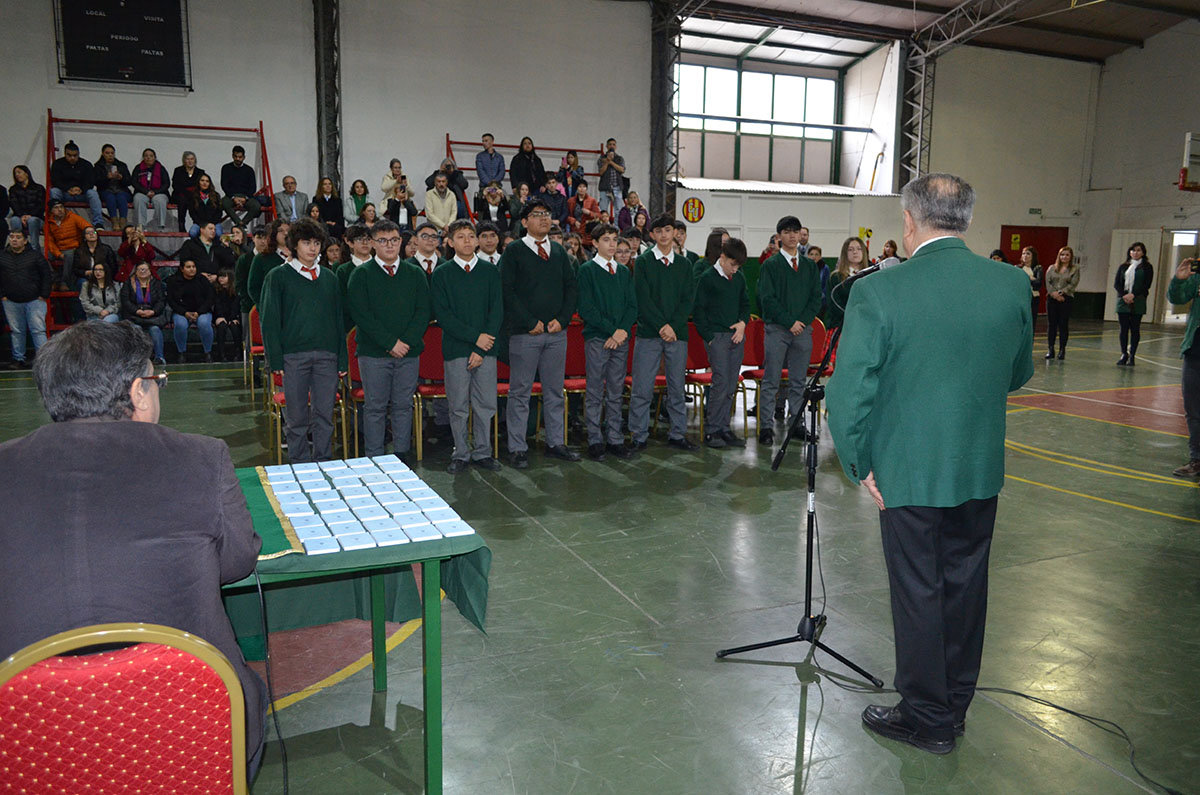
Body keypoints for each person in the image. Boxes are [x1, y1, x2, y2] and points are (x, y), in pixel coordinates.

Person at [0, 320, 267, 775]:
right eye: (157, 380)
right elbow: (237, 561)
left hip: (29, 737)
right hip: (189, 718)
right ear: (138, 391)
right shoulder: (202, 457)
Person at [826, 172, 1033, 756]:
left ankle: (926, 718)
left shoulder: (878, 292)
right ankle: (954, 704)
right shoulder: (1011, 284)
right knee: (966, 588)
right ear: (966, 219)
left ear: (909, 222)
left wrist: (859, 460)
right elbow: (1018, 372)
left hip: (909, 471)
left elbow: (849, 392)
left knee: (918, 591)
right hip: (978, 465)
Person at [499, 199, 580, 467]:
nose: (544, 219)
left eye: (546, 214)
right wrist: (529, 321)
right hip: (525, 334)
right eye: (537, 215)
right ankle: (517, 447)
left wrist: (563, 319)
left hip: (557, 333)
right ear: (524, 222)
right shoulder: (514, 252)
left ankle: (556, 442)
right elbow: (506, 291)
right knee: (520, 392)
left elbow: (571, 289)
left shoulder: (558, 252)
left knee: (555, 391)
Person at [259, 217, 346, 462]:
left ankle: (323, 460)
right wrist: (274, 359)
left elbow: (339, 322)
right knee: (296, 418)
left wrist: (342, 360)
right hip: (293, 357)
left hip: (327, 356)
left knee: (324, 415)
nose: (312, 248)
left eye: (316, 243)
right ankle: (298, 464)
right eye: (306, 242)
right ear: (294, 245)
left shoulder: (330, 278)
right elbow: (270, 321)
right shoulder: (278, 277)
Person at [346, 219, 429, 460]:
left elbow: (423, 312)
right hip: (373, 354)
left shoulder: (415, 273)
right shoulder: (361, 275)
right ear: (372, 244)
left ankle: (402, 454)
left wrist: (406, 342)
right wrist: (390, 343)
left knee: (404, 406)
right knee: (375, 407)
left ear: (401, 241)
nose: (389, 245)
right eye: (382, 240)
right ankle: (374, 457)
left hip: (409, 353)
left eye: (394, 239)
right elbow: (361, 315)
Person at [431, 220, 504, 473]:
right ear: (450, 242)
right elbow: (444, 315)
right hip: (456, 349)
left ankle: (483, 452)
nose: (467, 241)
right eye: (460, 237)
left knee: (485, 404)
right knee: (458, 405)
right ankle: (461, 453)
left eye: (471, 236)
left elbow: (496, 311)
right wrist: (476, 339)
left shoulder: (490, 271)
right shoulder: (442, 273)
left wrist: (482, 348)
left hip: (487, 350)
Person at [630, 214, 697, 452]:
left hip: (677, 334)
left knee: (677, 386)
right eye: (659, 231)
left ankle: (678, 433)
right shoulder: (644, 262)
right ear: (652, 235)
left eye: (668, 230)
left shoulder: (685, 264)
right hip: (649, 333)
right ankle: (638, 434)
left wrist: (673, 325)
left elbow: (688, 299)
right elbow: (643, 299)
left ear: (674, 233)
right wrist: (661, 326)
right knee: (642, 386)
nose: (664, 235)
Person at [756, 216, 823, 446]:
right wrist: (789, 322)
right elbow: (767, 299)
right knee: (771, 379)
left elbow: (816, 298)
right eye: (787, 231)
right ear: (779, 237)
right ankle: (766, 426)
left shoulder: (808, 266)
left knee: (798, 381)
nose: (792, 235)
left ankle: (796, 423)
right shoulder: (770, 265)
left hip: (802, 330)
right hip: (777, 329)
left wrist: (801, 321)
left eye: (796, 231)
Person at [576, 223, 636, 460]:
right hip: (598, 338)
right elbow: (586, 308)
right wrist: (613, 331)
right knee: (594, 391)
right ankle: (594, 438)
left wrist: (621, 331)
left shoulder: (623, 272)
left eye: (614, 240)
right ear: (595, 243)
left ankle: (615, 438)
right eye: (606, 240)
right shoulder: (587, 271)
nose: (611, 244)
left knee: (615, 390)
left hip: (620, 340)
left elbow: (632, 306)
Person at [693, 236, 750, 449]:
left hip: (737, 337)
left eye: (738, 266)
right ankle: (712, 430)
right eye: (732, 264)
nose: (735, 269)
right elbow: (698, 311)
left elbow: (745, 304)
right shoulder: (708, 278)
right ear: (723, 258)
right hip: (717, 337)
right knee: (720, 382)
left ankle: (724, 428)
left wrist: (743, 324)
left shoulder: (740, 278)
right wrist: (709, 337)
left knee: (730, 384)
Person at [0, 228, 53, 369]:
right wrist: (2, 295)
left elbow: (46, 275)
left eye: (18, 237)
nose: (14, 240)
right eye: (12, 237)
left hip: (35, 300)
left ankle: (44, 359)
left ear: (25, 240)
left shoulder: (36, 256)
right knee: (16, 331)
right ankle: (18, 358)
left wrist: (44, 294)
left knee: (38, 330)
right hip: (10, 300)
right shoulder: (2, 256)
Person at [1169, 256, 1200, 478]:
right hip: (1195, 351)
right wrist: (1178, 280)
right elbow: (1177, 297)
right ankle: (1196, 459)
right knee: (1193, 410)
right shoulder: (1197, 278)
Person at [166, 258, 216, 363]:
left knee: (204, 323)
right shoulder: (173, 281)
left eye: (193, 267)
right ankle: (181, 353)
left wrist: (199, 312)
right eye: (188, 267)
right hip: (182, 311)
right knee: (180, 324)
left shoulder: (202, 280)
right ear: (182, 269)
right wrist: (184, 313)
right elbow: (171, 301)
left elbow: (210, 298)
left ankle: (208, 352)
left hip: (202, 311)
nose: (192, 269)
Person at [119, 261, 168, 364]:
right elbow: (125, 301)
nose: (143, 271)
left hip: (152, 316)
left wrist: (153, 311)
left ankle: (160, 357)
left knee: (155, 330)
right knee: (136, 330)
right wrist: (137, 311)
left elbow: (161, 301)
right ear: (135, 272)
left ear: (150, 272)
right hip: (134, 315)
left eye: (145, 269)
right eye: (140, 269)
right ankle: (137, 359)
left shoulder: (156, 283)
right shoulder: (128, 283)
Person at [1115, 241, 1153, 366]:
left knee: (1135, 328)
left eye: (1138, 250)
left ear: (1143, 253)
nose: (1135, 253)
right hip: (1123, 300)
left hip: (1138, 300)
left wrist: (1133, 295)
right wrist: (1125, 295)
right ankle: (1123, 354)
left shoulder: (1147, 267)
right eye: (1133, 250)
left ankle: (1132, 356)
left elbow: (1146, 285)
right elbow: (1117, 284)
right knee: (1123, 329)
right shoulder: (1123, 266)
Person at [50, 140, 104, 228]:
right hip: (65, 193)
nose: (72, 158)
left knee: (93, 193)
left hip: (82, 194)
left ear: (78, 154)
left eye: (75, 155)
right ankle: (57, 221)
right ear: (65, 154)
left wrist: (81, 189)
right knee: (54, 191)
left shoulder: (86, 165)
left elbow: (90, 181)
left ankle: (98, 223)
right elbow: (55, 180)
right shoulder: (58, 164)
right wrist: (68, 189)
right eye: (69, 155)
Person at [824, 236, 868, 332]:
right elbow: (833, 305)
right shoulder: (835, 277)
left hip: (866, 326)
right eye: (850, 250)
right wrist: (853, 318)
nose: (855, 252)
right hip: (841, 327)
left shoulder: (870, 276)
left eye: (859, 249)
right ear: (845, 253)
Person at [1044, 246, 1080, 360]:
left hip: (1066, 299)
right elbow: (1048, 282)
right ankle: (1050, 349)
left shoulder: (1074, 269)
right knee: (1052, 324)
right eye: (1062, 254)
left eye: (1067, 255)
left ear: (1071, 257)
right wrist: (1054, 294)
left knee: (1063, 325)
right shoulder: (1052, 268)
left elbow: (1073, 284)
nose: (1064, 257)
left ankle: (1062, 350)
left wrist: (1061, 293)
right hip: (1052, 299)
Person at [45, 199, 89, 287]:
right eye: (56, 208)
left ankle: (64, 282)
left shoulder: (73, 217)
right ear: (51, 211)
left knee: (69, 255)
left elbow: (87, 226)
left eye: (61, 207)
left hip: (73, 247)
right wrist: (58, 254)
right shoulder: (49, 222)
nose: (60, 209)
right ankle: (54, 278)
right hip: (59, 249)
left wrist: (92, 233)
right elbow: (50, 242)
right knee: (43, 256)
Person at [338, 223, 374, 333]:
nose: (365, 243)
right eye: (359, 239)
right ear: (349, 242)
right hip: (352, 327)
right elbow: (343, 302)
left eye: (368, 239)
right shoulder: (343, 270)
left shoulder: (380, 267)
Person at [248, 219, 290, 307]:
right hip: (271, 308)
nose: (286, 233)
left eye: (288, 230)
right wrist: (265, 306)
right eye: (281, 231)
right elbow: (253, 288)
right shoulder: (262, 258)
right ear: (274, 234)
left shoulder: (299, 256)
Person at [219, 146, 261, 228]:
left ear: (244, 157)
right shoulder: (226, 168)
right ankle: (239, 223)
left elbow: (253, 187)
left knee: (256, 206)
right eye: (236, 156)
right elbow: (224, 185)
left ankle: (242, 224)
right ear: (232, 156)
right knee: (224, 203)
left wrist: (245, 198)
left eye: (240, 157)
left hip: (246, 196)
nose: (238, 159)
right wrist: (233, 197)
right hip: (231, 196)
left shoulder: (249, 170)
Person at [131, 149, 172, 232]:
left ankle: (160, 225)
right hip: (142, 192)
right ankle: (141, 225)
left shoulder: (161, 168)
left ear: (155, 157)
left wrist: (155, 192)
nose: (148, 158)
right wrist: (146, 192)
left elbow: (166, 183)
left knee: (160, 200)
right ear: (143, 158)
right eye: (146, 156)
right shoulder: (138, 168)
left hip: (159, 192)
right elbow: (134, 182)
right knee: (138, 199)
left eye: (151, 156)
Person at [93, 144, 132, 230]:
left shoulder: (122, 165)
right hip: (105, 190)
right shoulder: (98, 166)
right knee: (110, 197)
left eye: (112, 153)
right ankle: (114, 221)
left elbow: (129, 181)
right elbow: (96, 182)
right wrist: (107, 178)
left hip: (121, 189)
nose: (110, 155)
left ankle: (123, 221)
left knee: (121, 197)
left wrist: (121, 178)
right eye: (107, 153)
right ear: (103, 154)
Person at [9, 165, 46, 250]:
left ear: (26, 174)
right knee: (14, 220)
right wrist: (22, 215)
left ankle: (34, 248)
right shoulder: (13, 189)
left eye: (19, 172)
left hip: (37, 218)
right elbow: (14, 204)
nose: (17, 175)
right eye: (15, 173)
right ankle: (18, 247)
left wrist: (30, 215)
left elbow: (41, 205)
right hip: (19, 217)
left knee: (32, 220)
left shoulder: (39, 188)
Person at [211, 267, 242, 363]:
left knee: (235, 326)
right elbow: (217, 305)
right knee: (221, 327)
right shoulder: (215, 290)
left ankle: (238, 352)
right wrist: (219, 317)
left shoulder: (235, 290)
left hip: (233, 316)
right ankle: (221, 353)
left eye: (223, 276)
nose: (221, 279)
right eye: (219, 276)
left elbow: (236, 305)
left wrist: (233, 317)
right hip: (219, 316)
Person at [171, 151, 206, 232]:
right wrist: (187, 190)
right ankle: (181, 224)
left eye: (192, 159)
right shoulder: (178, 170)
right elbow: (176, 185)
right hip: (180, 195)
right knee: (183, 200)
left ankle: (197, 223)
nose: (190, 161)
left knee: (196, 199)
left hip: (195, 195)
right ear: (184, 160)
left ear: (195, 160)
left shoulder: (200, 172)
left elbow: (201, 185)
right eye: (187, 159)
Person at [597, 138, 627, 217]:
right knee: (603, 210)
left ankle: (617, 228)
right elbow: (601, 172)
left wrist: (611, 162)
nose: (612, 146)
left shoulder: (619, 158)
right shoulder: (601, 159)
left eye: (614, 144)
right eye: (610, 144)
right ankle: (603, 228)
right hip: (605, 187)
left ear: (616, 147)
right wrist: (607, 162)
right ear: (606, 146)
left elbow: (622, 170)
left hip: (617, 187)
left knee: (619, 210)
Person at [566, 179, 600, 243]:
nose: (582, 189)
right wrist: (574, 221)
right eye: (580, 187)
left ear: (586, 188)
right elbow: (566, 215)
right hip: (575, 229)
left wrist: (589, 213)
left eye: (584, 187)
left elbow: (598, 215)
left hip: (587, 231)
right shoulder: (570, 201)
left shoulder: (592, 200)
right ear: (577, 188)